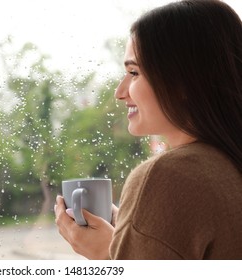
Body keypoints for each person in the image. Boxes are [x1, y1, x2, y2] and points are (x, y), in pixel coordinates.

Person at [54, 0, 242, 260]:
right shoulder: (227, 165)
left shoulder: (168, 175)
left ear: (182, 82)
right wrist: (137, 230)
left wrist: (106, 256)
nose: (120, 93)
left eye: (134, 73)